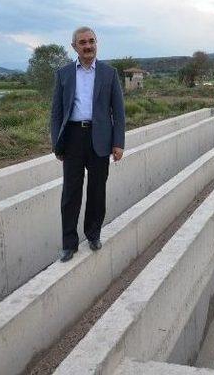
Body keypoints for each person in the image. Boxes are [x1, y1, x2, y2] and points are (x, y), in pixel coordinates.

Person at [50, 26, 126, 262]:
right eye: (82, 42)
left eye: (91, 41)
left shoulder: (108, 73)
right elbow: (56, 113)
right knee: (70, 193)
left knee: (97, 191)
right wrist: (57, 144)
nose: (88, 46)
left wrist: (118, 142)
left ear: (97, 43)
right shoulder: (63, 74)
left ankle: (93, 234)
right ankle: (68, 244)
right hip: (73, 138)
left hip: (100, 138)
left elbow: (119, 112)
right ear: (74, 46)